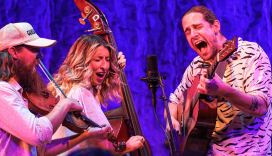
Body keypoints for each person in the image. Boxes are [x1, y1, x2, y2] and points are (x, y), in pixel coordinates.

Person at [167, 5, 272, 155]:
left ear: (215, 26)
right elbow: (174, 101)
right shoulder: (196, 66)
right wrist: (172, 119)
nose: (192, 34)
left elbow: (261, 106)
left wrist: (224, 91)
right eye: (187, 31)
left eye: (197, 27)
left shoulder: (249, 53)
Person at [0, 22, 110, 156]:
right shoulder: (0, 91)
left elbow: (42, 149)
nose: (39, 56)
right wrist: (65, 103)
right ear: (13, 52)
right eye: (33, 49)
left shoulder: (20, 94)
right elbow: (38, 135)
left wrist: (86, 134)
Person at [48, 34, 145, 155]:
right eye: (98, 59)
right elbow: (99, 147)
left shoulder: (72, 89)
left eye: (107, 59)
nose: (104, 66)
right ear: (83, 62)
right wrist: (126, 147)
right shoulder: (81, 92)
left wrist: (116, 70)